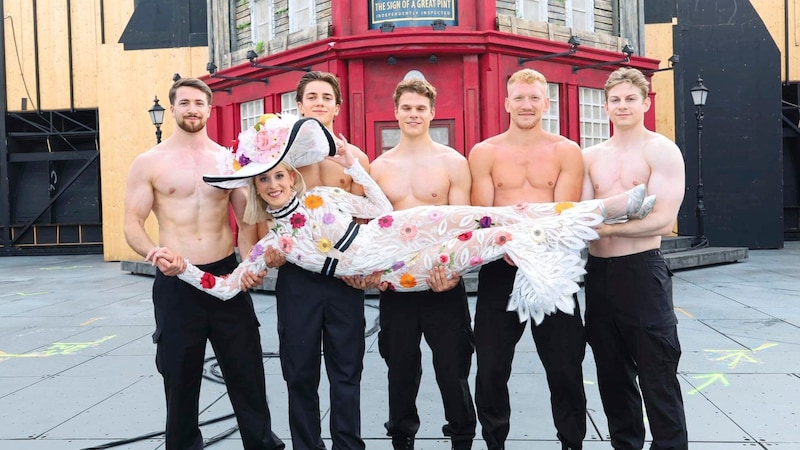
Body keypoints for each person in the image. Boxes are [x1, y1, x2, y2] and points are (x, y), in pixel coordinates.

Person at [123, 77, 284, 450]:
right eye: (184, 103)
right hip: (178, 280)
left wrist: (251, 263)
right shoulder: (149, 162)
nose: (192, 109)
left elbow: (247, 220)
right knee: (179, 377)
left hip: (226, 275)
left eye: (199, 103)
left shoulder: (227, 161)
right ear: (174, 107)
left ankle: (261, 444)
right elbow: (132, 223)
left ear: (209, 110)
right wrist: (154, 253)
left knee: (247, 371)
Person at [468, 68, 586, 450]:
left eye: (534, 97)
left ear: (546, 102)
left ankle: (572, 442)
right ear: (506, 102)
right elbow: (482, 216)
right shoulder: (485, 152)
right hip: (501, 268)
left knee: (566, 366)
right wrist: (509, 239)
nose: (526, 104)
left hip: (551, 269)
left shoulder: (566, 151)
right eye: (519, 97)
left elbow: (564, 214)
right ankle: (494, 442)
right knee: (491, 365)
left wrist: (522, 227)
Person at [258, 71, 373, 450]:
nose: (320, 102)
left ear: (338, 108)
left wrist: (362, 269)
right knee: (300, 372)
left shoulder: (355, 158)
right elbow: (259, 215)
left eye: (327, 97)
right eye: (312, 97)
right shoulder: (280, 158)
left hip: (344, 279)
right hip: (298, 278)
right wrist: (266, 255)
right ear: (300, 106)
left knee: (347, 371)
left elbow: (368, 220)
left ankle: (348, 445)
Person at [581, 67, 688, 450]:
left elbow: (662, 218)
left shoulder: (660, 150)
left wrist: (607, 227)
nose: (622, 106)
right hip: (598, 276)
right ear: (606, 105)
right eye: (615, 99)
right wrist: (620, 217)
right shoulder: (589, 155)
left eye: (630, 99)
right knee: (612, 375)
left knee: (657, 372)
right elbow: (580, 215)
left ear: (645, 102)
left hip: (642, 272)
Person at [368, 77, 476, 450]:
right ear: (395, 112)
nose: (413, 114)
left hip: (443, 283)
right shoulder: (379, 168)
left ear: (432, 113)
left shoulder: (453, 162)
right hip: (396, 289)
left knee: (453, 370)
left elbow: (463, 226)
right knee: (400, 371)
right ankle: (402, 439)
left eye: (420, 108)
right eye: (406, 108)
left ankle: (462, 437)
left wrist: (455, 272)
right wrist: (377, 272)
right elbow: (374, 231)